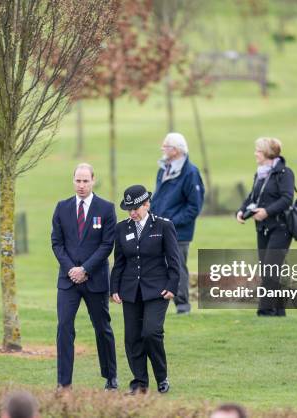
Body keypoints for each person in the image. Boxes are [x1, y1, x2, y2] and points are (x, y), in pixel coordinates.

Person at [51, 163, 118, 390]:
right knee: (64, 328)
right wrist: (72, 269)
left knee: (102, 328)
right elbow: (57, 243)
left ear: (93, 180)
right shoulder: (62, 208)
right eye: (78, 181)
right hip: (68, 281)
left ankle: (110, 376)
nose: (81, 185)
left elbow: (107, 244)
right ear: (73, 181)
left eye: (85, 181)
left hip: (96, 280)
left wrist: (85, 269)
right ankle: (64, 383)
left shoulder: (106, 209)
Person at [110, 185, 181, 394]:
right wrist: (114, 287)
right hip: (130, 290)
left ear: (147, 204)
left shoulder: (163, 226)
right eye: (128, 209)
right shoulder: (122, 228)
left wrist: (172, 286)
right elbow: (119, 261)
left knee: (151, 332)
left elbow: (174, 261)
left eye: (136, 208)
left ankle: (161, 376)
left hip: (158, 290)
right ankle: (140, 383)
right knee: (132, 337)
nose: (132, 212)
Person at [236, 137, 294, 317]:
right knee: (268, 269)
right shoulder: (260, 173)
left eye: (258, 151)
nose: (255, 153)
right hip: (262, 228)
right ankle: (279, 311)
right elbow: (253, 196)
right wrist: (241, 210)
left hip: (281, 227)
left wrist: (267, 211)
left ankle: (265, 310)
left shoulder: (285, 173)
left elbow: (287, 198)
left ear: (268, 153)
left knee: (270, 268)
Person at [151, 132, 205, 314]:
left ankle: (183, 306)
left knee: (178, 267)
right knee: (158, 265)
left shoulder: (190, 172)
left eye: (166, 146)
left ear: (176, 150)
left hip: (178, 232)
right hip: (157, 227)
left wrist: (171, 222)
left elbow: (194, 207)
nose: (162, 149)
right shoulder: (163, 169)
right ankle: (158, 303)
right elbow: (159, 198)